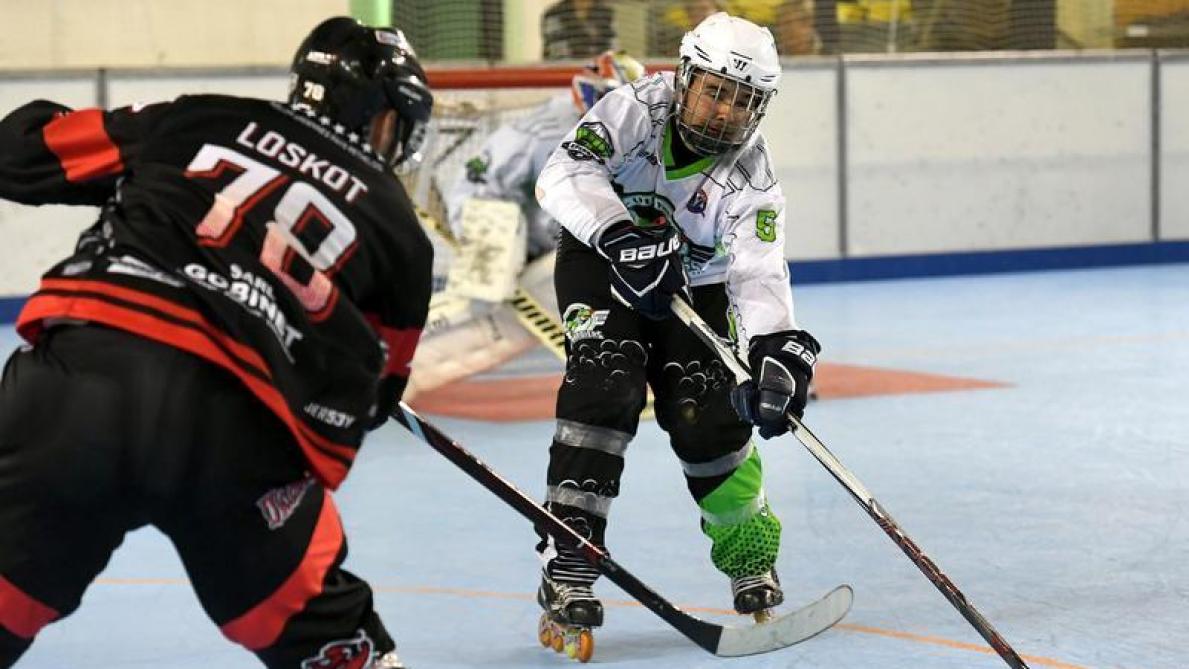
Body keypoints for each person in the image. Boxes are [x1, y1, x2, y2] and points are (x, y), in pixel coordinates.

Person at [0, 17, 433, 669]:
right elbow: (375, 395)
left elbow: (20, 154)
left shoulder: (200, 118)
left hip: (80, 379)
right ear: (385, 121)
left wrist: (127, 161)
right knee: (330, 641)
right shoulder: (401, 233)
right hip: (238, 433)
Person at [532, 9, 820, 651]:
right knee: (605, 380)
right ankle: (572, 559)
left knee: (706, 410)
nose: (724, 113)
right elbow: (561, 175)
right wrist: (622, 234)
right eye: (715, 91)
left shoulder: (753, 177)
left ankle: (749, 553)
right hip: (602, 259)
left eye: (742, 102)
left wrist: (777, 352)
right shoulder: (632, 109)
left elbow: (759, 272)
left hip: (698, 283)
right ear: (686, 77)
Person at [403, 51, 646, 402]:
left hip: (547, 246)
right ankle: (389, 340)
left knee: (506, 328)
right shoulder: (546, 127)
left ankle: (409, 376)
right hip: (493, 213)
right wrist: (501, 253)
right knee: (482, 298)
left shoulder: (630, 141)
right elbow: (485, 182)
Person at [542, 0, 617, 60]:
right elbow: (557, 56)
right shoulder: (554, 14)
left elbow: (613, 50)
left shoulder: (607, 12)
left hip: (601, 74)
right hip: (564, 73)